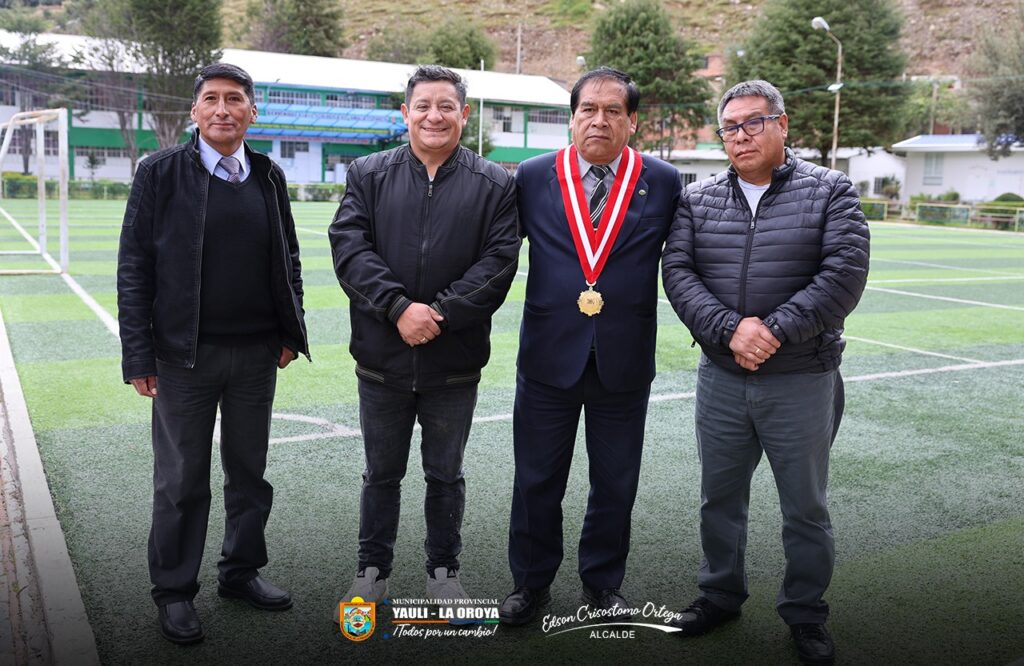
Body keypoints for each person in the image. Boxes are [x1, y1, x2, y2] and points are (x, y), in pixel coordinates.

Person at [661, 79, 869, 664]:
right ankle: (719, 595)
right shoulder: (697, 199)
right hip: (722, 378)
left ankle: (805, 613)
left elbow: (843, 276)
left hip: (802, 378)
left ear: (782, 124)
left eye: (754, 122)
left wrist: (772, 331)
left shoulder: (830, 190)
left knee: (805, 507)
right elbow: (678, 272)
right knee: (719, 498)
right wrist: (730, 329)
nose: (742, 135)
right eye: (731, 126)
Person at [117, 63, 308, 645]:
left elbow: (289, 258)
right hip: (183, 358)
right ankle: (174, 592)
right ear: (195, 111)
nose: (223, 109)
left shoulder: (269, 175)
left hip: (255, 356)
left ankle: (240, 572)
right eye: (212, 99)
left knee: (249, 474)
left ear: (252, 111)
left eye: (235, 99)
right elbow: (134, 267)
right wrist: (138, 355)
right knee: (181, 480)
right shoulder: (159, 173)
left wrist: (290, 331)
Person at [328, 65, 519, 616]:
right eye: (423, 105)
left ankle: (443, 573)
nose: (434, 116)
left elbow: (499, 263)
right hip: (381, 362)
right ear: (405, 113)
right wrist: (397, 308)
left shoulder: (495, 183)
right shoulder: (367, 173)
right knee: (381, 474)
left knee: (445, 474)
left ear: (464, 114)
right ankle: (371, 572)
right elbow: (349, 248)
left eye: (446, 106)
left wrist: (436, 314)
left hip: (453, 363)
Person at [499, 67, 681, 626]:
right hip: (548, 355)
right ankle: (530, 583)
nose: (599, 120)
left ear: (632, 121)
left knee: (616, 483)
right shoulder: (533, 176)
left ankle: (603, 584)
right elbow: (494, 251)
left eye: (612, 111)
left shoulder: (663, 180)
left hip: (623, 360)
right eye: (588, 110)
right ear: (572, 117)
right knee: (536, 479)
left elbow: (685, 258)